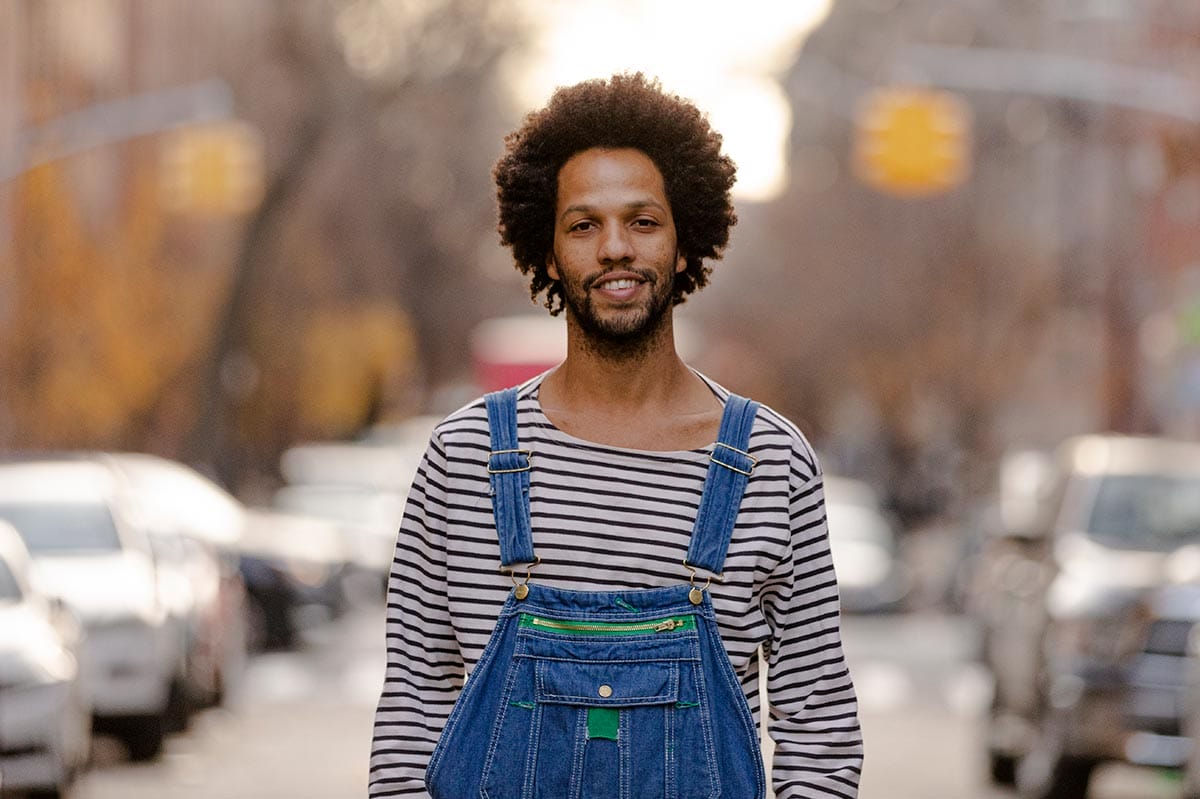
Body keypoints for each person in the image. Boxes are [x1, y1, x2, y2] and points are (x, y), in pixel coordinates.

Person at [369, 72, 863, 799]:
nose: (614, 248)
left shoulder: (771, 463)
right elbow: (410, 722)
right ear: (547, 254)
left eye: (643, 221)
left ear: (684, 244)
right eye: (583, 225)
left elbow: (820, 732)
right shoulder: (463, 458)